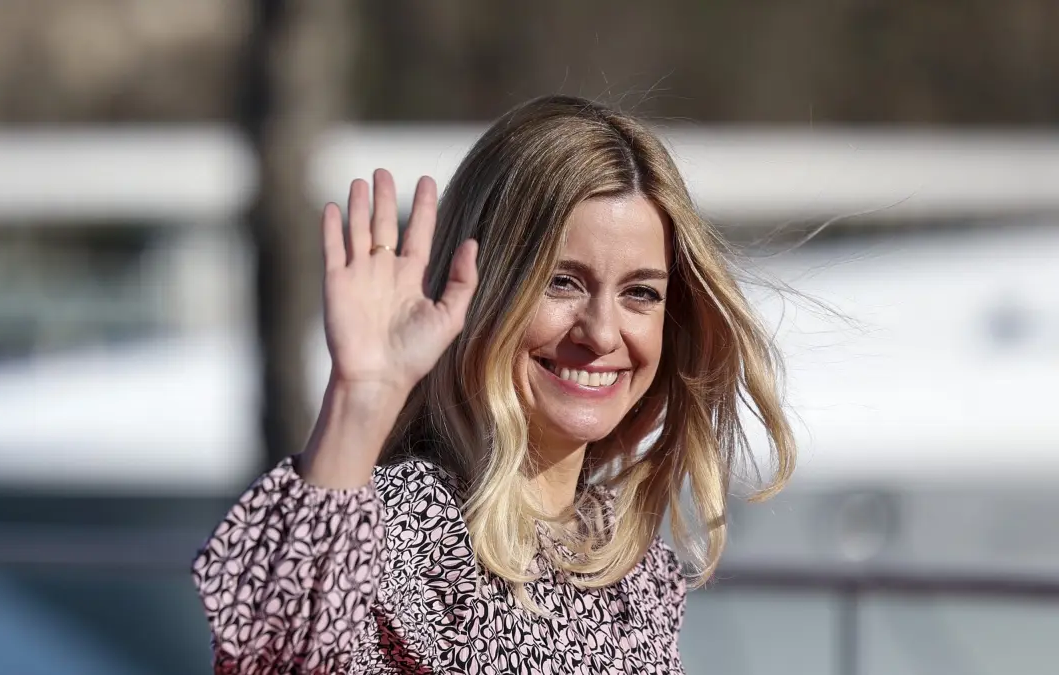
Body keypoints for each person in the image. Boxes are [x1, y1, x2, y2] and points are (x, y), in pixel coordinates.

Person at [191, 95, 796, 674]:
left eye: (640, 292)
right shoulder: (399, 529)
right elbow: (273, 658)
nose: (601, 332)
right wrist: (361, 398)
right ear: (482, 289)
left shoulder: (633, 570)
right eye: (561, 282)